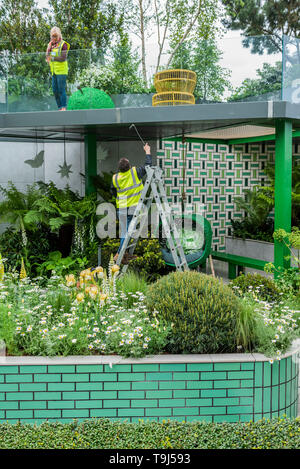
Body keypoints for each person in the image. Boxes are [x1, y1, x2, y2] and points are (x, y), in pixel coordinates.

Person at [111, 143, 152, 263]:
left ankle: (124, 254)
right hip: (133, 208)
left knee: (125, 233)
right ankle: (119, 254)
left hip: (122, 208)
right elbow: (148, 165)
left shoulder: (115, 178)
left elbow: (113, 192)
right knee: (127, 234)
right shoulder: (135, 172)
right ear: (129, 166)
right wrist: (147, 151)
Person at [46, 27, 70, 111]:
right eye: (52, 36)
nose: (54, 38)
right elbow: (47, 57)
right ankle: (59, 107)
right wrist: (48, 48)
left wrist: (52, 58)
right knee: (55, 90)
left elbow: (63, 58)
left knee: (61, 89)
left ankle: (63, 107)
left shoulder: (63, 44)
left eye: (55, 36)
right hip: (54, 71)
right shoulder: (52, 45)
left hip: (62, 71)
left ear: (59, 35)